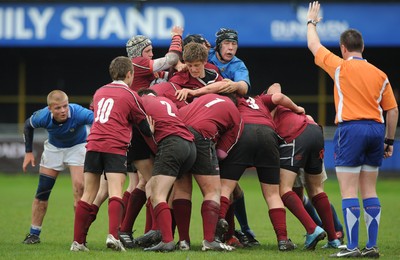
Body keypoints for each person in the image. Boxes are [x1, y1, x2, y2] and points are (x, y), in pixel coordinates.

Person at [306, 1, 398, 258]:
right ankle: (372, 246)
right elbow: (393, 110)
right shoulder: (380, 74)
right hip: (376, 129)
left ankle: (353, 247)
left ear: (343, 48)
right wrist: (389, 140)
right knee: (369, 190)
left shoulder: (340, 66)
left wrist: (311, 22)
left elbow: (313, 45)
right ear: (363, 47)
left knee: (348, 191)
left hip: (352, 129)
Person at [70, 56, 150, 252]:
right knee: (115, 190)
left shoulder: (99, 92)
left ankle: (78, 242)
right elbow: (144, 127)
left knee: (88, 193)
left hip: (93, 144)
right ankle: (113, 236)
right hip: (114, 146)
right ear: (130, 74)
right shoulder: (131, 95)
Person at [267, 83, 341, 250]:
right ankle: (333, 239)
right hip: (315, 130)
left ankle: (313, 229)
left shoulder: (260, 101)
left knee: (283, 189)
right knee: (316, 190)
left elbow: (276, 87)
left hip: (295, 134)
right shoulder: (276, 108)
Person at [173, 93, 243, 251]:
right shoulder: (235, 111)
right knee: (212, 191)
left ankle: (183, 241)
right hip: (202, 135)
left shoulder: (205, 97)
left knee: (182, 190)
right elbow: (222, 153)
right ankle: (210, 241)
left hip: (177, 133)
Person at [22, 90, 93, 244]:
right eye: (58, 108)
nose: (63, 111)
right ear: (50, 109)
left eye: (65, 106)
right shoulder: (42, 116)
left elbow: (99, 121)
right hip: (54, 149)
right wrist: (28, 152)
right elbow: (28, 125)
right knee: (43, 191)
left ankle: (79, 238)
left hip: (78, 146)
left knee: (80, 189)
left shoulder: (79, 113)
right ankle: (34, 234)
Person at [136, 88, 196, 252]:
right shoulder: (167, 101)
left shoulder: (141, 101)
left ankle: (166, 240)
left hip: (172, 144)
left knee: (157, 193)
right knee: (154, 187)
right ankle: (159, 232)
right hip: (190, 146)